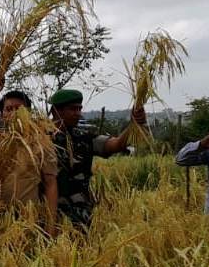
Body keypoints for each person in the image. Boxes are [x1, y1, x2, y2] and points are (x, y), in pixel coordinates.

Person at [49, 88, 146, 229]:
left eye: (79, 109)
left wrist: (134, 124)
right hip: (48, 214)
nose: (78, 113)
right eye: (72, 109)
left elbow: (116, 144)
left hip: (81, 215)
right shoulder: (41, 139)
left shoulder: (84, 138)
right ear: (56, 111)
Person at [0, 74, 59, 233]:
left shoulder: (41, 144)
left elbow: (50, 185)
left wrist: (51, 225)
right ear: (2, 115)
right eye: (8, 109)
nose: (14, 113)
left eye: (19, 109)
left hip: (27, 220)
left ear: (28, 113)